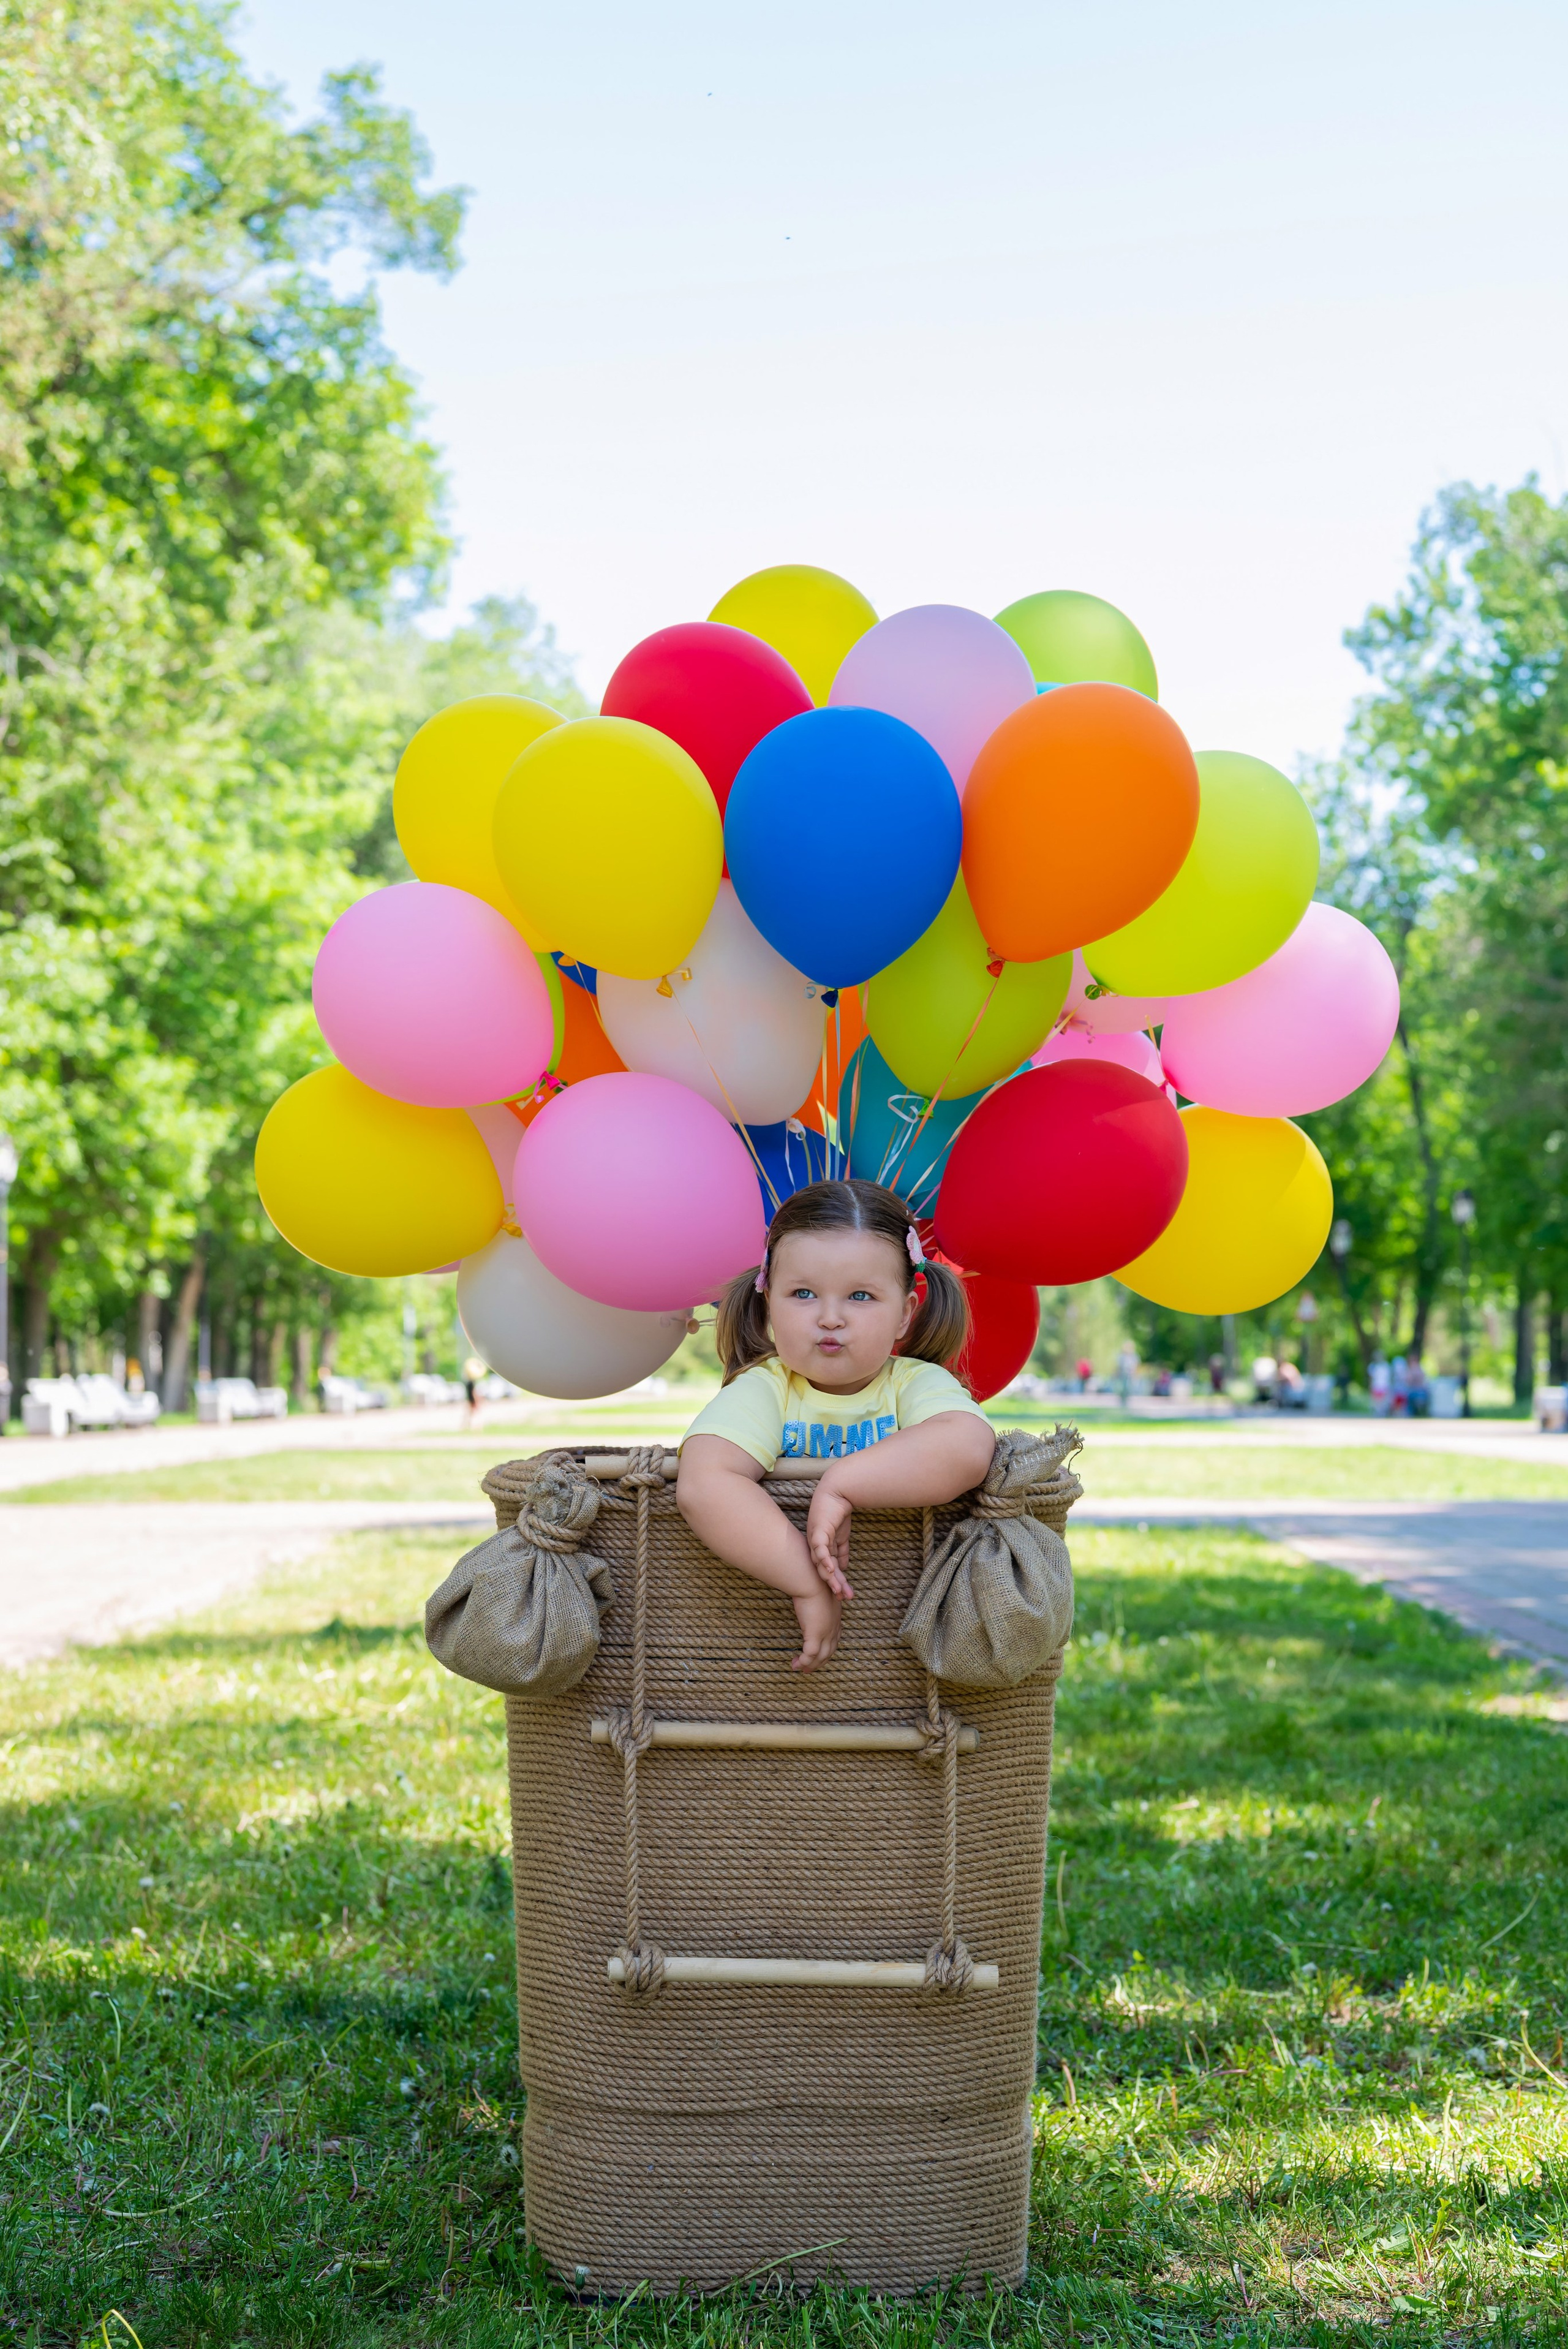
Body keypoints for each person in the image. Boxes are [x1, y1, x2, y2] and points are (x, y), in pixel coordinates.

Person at [676, 1179, 997, 1673]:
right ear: (768, 1305)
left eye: (861, 1296)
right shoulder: (768, 1389)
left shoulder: (912, 1385)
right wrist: (807, 1581)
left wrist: (842, 1486)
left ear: (904, 1315)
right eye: (803, 1293)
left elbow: (970, 1447)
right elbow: (703, 1482)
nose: (830, 1318)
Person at [462, 1355, 486, 1428]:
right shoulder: (471, 1383)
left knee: (469, 1414)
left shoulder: (468, 1382)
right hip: (472, 1400)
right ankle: (477, 1426)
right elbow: (473, 1392)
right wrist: (476, 1400)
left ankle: (467, 1426)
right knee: (476, 1413)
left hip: (470, 1399)